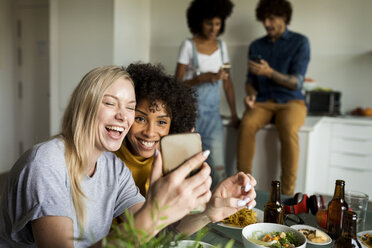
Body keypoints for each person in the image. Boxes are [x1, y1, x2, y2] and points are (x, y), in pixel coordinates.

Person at [0, 65, 257, 247]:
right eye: (111, 103)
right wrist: (155, 214)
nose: (124, 116)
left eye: (130, 107)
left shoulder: (114, 168)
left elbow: (157, 235)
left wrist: (210, 212)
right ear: (84, 105)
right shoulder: (46, 163)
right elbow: (149, 224)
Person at [237, 0, 310, 196]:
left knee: (288, 128)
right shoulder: (256, 45)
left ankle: (287, 195)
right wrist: (250, 95)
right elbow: (249, 81)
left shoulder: (300, 42)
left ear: (284, 17)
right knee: (247, 124)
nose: (267, 24)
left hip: (291, 102)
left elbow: (297, 82)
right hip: (263, 102)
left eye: (271, 19)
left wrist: (269, 72)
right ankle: (242, 188)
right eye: (264, 20)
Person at [175, 0, 239, 188]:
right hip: (190, 117)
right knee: (189, 168)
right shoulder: (188, 46)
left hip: (213, 119)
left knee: (218, 169)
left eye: (217, 24)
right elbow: (176, 84)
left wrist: (234, 114)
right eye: (209, 23)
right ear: (199, 22)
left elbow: (227, 82)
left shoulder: (222, 47)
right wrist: (201, 78)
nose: (213, 28)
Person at [115, 63, 197, 196]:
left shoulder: (172, 164)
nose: (150, 132)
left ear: (174, 125)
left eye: (161, 122)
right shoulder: (106, 158)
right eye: (140, 119)